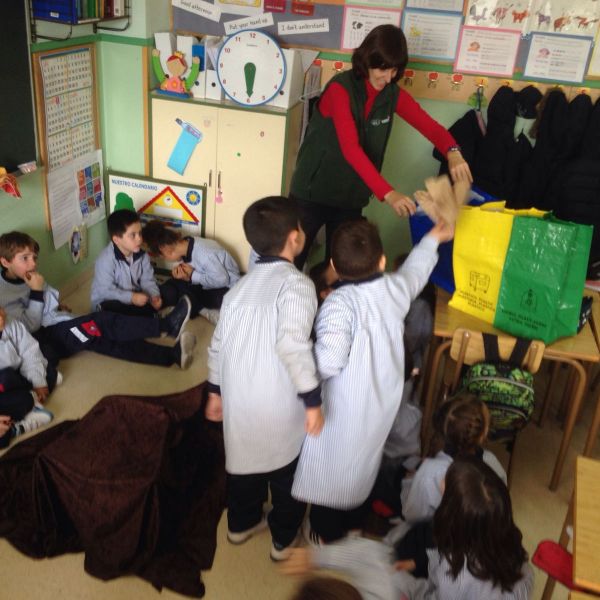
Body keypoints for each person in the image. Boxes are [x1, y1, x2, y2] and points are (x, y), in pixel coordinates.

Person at [292, 218, 453, 543]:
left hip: (346, 407)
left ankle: (324, 531)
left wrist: (301, 368)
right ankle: (354, 523)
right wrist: (433, 237)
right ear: (382, 261)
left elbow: (329, 362)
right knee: (365, 463)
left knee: (331, 472)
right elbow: (415, 271)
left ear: (334, 266)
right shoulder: (394, 289)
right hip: (382, 402)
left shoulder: (339, 304)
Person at [289, 24, 472, 267]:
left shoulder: (391, 94)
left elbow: (430, 126)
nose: (388, 78)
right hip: (312, 193)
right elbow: (350, 149)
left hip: (350, 199)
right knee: (289, 263)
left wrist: (453, 151)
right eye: (382, 69)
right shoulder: (340, 89)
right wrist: (389, 193)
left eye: (394, 70)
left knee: (343, 271)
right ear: (366, 60)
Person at [206, 196, 324, 561]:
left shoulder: (238, 290)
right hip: (279, 405)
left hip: (240, 400)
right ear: (295, 238)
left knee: (244, 469)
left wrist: (215, 391)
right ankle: (283, 540)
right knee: (288, 477)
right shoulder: (298, 285)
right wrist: (312, 400)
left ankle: (240, 524)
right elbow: (294, 345)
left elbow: (217, 345)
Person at [283, 458, 533, 600]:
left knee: (388, 570)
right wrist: (420, 562)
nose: (439, 484)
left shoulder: (457, 578)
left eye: (443, 493)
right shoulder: (497, 536)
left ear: (453, 518)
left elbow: (373, 559)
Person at [0, 231, 195, 371]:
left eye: (34, 257)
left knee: (104, 338)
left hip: (56, 324)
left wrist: (53, 304)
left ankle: (171, 356)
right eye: (25, 258)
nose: (33, 263)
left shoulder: (26, 275)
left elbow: (43, 299)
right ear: (5, 261)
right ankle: (167, 326)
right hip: (43, 339)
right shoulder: (4, 294)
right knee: (101, 321)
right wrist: (36, 292)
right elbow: (29, 327)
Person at [385, 392, 506, 545]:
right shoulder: (493, 463)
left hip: (436, 542)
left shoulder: (430, 472)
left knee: (393, 475)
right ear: (483, 433)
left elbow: (412, 514)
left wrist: (409, 481)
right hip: (473, 541)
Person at [142, 219, 241, 324]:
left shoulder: (204, 254)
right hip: (210, 283)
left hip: (226, 289)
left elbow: (222, 280)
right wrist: (186, 276)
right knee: (172, 286)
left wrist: (192, 275)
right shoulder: (186, 243)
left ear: (165, 250)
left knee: (183, 292)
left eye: (162, 257)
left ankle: (204, 311)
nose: (165, 259)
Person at [91, 209, 162, 317]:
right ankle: (150, 317)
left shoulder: (142, 255)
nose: (139, 239)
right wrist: (131, 297)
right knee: (113, 309)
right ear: (116, 240)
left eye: (140, 233)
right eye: (133, 235)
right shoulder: (105, 260)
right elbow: (105, 291)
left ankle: (147, 316)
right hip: (110, 301)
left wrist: (154, 295)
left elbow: (147, 280)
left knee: (166, 292)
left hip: (134, 297)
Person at [0, 307, 54, 448]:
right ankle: (14, 428)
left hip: (12, 380)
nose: (1, 318)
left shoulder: (11, 324)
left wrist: (38, 382)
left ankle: (29, 404)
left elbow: (30, 352)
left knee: (48, 360)